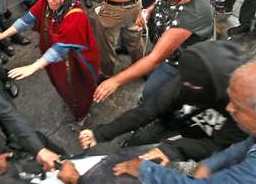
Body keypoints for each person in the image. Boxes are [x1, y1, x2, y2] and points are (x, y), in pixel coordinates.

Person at [113, 59, 256, 184]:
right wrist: (212, 164)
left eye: (239, 107)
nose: (229, 109)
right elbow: (255, 138)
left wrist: (144, 170)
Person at [79, 41, 246, 164]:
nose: (184, 85)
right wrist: (101, 133)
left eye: (192, 84)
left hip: (202, 138)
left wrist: (174, 149)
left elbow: (216, 146)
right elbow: (148, 110)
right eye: (183, 78)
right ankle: (129, 149)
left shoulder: (244, 110)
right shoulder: (187, 81)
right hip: (172, 120)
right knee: (140, 141)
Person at [93, 0, 213, 104]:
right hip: (161, 41)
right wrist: (149, 11)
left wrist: (115, 81)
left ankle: (152, 106)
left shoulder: (192, 15)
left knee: (152, 90)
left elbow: (155, 58)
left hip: (176, 62)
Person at [0, 0, 99, 124]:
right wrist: (2, 35)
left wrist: (33, 67)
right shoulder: (45, 3)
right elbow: (27, 20)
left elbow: (60, 48)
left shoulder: (76, 15)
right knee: (60, 85)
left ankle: (81, 115)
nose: (50, 0)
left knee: (76, 89)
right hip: (51, 60)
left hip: (72, 63)